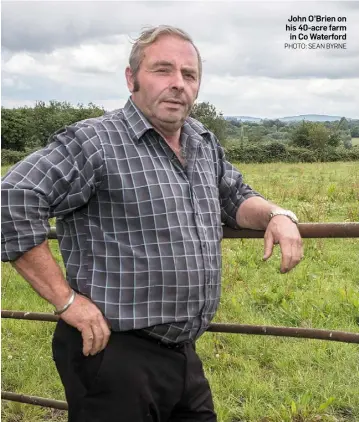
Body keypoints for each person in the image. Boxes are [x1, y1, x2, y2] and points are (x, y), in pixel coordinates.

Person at [1, 25, 303, 422]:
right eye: (163, 70)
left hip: (183, 355)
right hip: (112, 353)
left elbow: (235, 197)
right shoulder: (95, 142)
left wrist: (276, 214)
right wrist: (66, 301)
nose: (178, 84)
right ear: (132, 78)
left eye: (189, 74)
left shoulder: (200, 140)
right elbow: (12, 197)